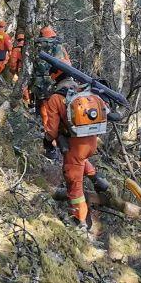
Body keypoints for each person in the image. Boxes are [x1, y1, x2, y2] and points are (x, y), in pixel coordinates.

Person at [40, 66, 111, 229]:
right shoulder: (84, 91)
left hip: (75, 146)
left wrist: (47, 141)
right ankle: (97, 180)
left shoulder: (56, 98)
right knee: (80, 160)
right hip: (92, 142)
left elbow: (51, 130)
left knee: (74, 184)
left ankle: (80, 222)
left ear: (54, 78)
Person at [29, 25, 71, 111]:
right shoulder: (57, 46)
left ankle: (39, 119)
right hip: (52, 80)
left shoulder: (34, 45)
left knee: (39, 105)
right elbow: (65, 64)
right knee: (51, 106)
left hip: (36, 80)